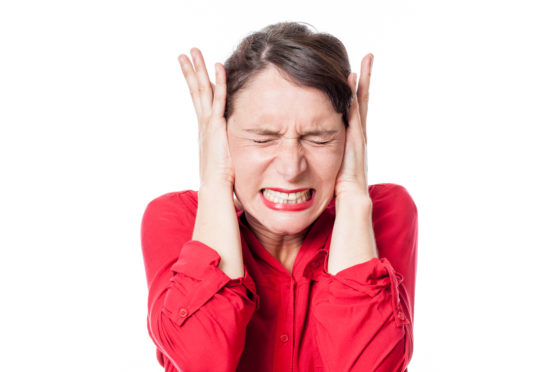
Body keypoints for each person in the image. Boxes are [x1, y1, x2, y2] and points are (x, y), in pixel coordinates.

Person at [141, 22, 418, 372]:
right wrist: (215, 183)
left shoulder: (382, 213)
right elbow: (201, 362)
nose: (291, 168)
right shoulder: (176, 218)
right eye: (262, 138)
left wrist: (350, 194)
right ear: (221, 138)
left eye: (318, 138)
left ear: (350, 139)